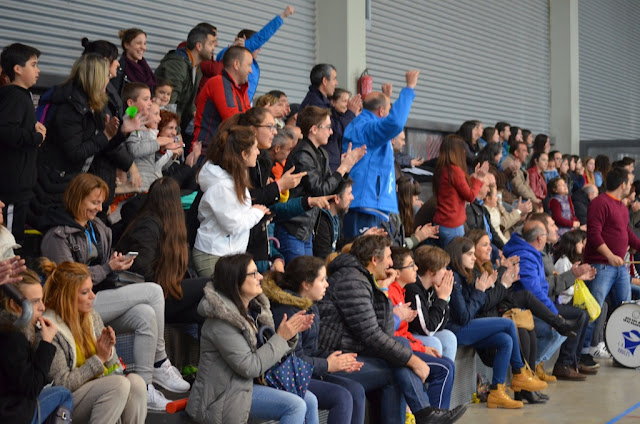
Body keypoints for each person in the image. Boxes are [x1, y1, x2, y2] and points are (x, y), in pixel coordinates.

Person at [39, 173, 189, 410]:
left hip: (99, 300)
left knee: (145, 314)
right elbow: (70, 284)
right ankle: (160, 360)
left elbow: (101, 267)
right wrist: (108, 267)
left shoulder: (98, 227)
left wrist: (114, 262)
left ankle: (146, 386)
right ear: (77, 199)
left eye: (101, 203)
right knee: (154, 291)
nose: (99, 209)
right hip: (74, 306)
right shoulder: (57, 235)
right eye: (93, 202)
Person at [318, 235, 467, 423]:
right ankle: (424, 413)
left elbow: (385, 331)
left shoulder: (363, 279)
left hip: (353, 351)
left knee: (401, 347)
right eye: (388, 257)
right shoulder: (352, 281)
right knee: (398, 369)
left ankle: (425, 413)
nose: (391, 263)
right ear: (374, 260)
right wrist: (412, 360)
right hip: (333, 358)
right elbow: (372, 335)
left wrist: (383, 289)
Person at [186, 254, 318, 424]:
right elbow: (250, 367)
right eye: (254, 273)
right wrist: (280, 338)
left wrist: (289, 334)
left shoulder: (254, 310)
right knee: (296, 406)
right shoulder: (221, 321)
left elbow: (268, 354)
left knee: (310, 400)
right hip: (223, 396)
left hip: (250, 385)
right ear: (235, 280)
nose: (261, 277)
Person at [444, 236, 547, 409]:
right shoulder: (453, 277)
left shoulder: (464, 275)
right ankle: (519, 372)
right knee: (508, 324)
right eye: (469, 254)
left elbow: (475, 309)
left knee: (505, 340)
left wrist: (486, 290)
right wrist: (480, 292)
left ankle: (497, 391)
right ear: (457, 255)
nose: (474, 257)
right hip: (456, 329)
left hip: (467, 325)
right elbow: (463, 316)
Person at [41, 259, 147, 423]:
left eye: (92, 290)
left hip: (98, 392)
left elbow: (114, 370)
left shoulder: (92, 317)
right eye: (85, 292)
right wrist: (98, 359)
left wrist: (109, 351)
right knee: (118, 385)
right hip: (64, 404)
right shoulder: (51, 328)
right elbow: (62, 385)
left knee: (137, 383)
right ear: (67, 296)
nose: (93, 296)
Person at [264, 256, 366, 424]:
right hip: (286, 375)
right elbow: (291, 360)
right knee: (341, 397)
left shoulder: (309, 305)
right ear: (306, 284)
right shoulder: (287, 310)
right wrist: (327, 365)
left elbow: (310, 350)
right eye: (322, 280)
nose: (327, 284)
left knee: (356, 390)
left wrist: (337, 359)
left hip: (305, 371)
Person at [503, 217, 594, 380]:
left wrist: (572, 275)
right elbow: (534, 292)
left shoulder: (535, 252)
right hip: (524, 310)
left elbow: (543, 287)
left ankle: (538, 367)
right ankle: (529, 371)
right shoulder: (526, 255)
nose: (556, 229)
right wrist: (553, 315)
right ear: (540, 238)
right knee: (558, 329)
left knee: (571, 322)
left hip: (539, 306)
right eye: (552, 226)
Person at [35, 53, 118, 220]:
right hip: (55, 183)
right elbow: (75, 152)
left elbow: (101, 143)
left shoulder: (91, 104)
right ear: (96, 78)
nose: (110, 81)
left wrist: (120, 133)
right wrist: (106, 135)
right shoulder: (71, 107)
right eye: (107, 76)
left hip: (68, 180)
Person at [276, 106, 364, 263]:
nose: (331, 132)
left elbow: (333, 189)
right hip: (293, 227)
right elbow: (319, 189)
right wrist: (342, 168)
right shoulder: (303, 154)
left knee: (308, 277)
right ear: (314, 129)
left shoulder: (320, 153)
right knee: (300, 279)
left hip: (307, 228)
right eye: (328, 127)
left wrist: (346, 168)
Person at [115, 177, 209, 325]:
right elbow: (142, 269)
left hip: (166, 292)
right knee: (212, 284)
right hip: (154, 296)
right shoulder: (147, 227)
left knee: (206, 310)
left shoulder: (169, 226)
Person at [341, 71, 419, 239]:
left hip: (365, 199)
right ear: (381, 111)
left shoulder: (363, 123)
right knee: (365, 254)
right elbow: (395, 123)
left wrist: (387, 97)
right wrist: (409, 88)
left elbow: (386, 121)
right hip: (365, 201)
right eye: (388, 109)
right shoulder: (368, 129)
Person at [0, 268, 74, 424]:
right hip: (12, 414)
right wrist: (46, 344)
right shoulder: (12, 336)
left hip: (14, 407)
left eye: (42, 300)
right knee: (64, 395)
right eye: (34, 302)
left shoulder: (15, 328)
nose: (42, 307)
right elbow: (32, 388)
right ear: (14, 304)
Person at [192, 125, 267, 277]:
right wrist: (256, 213)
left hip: (226, 254)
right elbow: (233, 225)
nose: (258, 152)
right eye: (256, 148)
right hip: (213, 255)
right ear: (244, 154)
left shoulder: (231, 179)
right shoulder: (223, 186)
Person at [79, 38, 143, 215]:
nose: (118, 66)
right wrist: (130, 164)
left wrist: (121, 132)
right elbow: (104, 138)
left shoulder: (109, 89)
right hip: (94, 173)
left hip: (103, 171)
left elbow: (110, 136)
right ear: (104, 62)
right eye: (115, 60)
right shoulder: (92, 96)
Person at [583, 167, 640, 360]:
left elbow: (627, 233)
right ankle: (586, 349)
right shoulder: (600, 202)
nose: (631, 187)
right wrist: (608, 255)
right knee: (594, 307)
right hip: (601, 265)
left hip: (620, 267)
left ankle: (622, 352)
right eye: (630, 183)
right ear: (623, 184)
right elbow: (593, 233)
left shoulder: (622, 207)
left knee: (625, 310)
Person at [0, 43, 45, 248]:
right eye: (33, 65)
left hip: (20, 187)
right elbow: (6, 131)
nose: (38, 70)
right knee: (9, 245)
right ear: (17, 69)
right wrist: (35, 137)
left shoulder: (21, 96)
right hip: (12, 189)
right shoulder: (15, 96)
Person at [216, 5, 296, 102]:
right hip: (232, 104)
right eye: (257, 46)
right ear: (245, 40)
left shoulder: (248, 61)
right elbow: (261, 37)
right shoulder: (234, 51)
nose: (259, 49)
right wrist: (283, 15)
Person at [155, 24, 217, 137]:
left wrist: (196, 115)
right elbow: (168, 104)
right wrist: (176, 133)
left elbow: (188, 103)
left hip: (174, 125)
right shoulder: (177, 65)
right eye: (211, 44)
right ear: (199, 46)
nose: (214, 47)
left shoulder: (195, 67)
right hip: (162, 128)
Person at [299, 63, 361, 171]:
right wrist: (350, 113)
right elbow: (335, 129)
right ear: (324, 81)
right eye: (334, 79)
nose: (336, 83)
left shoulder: (321, 101)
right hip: (321, 163)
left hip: (328, 159)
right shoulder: (315, 103)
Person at [432, 134, 487, 248]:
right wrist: (480, 178)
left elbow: (459, 188)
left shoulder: (442, 168)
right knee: (457, 261)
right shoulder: (455, 170)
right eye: (462, 148)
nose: (464, 152)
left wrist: (475, 177)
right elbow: (470, 196)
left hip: (441, 222)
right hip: (453, 224)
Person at [193, 46, 253, 150]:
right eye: (249, 65)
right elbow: (232, 119)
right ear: (236, 64)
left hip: (221, 152)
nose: (251, 70)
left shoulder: (240, 89)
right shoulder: (219, 82)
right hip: (206, 153)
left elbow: (249, 119)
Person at [405, 245, 458, 361]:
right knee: (434, 342)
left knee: (449, 337)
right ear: (431, 271)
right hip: (407, 335)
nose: (447, 272)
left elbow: (441, 325)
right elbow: (428, 330)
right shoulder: (413, 289)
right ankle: (435, 377)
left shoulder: (433, 288)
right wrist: (442, 300)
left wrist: (445, 299)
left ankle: (446, 376)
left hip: (422, 332)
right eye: (443, 268)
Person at [124, 85, 181, 192]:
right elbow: (134, 150)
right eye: (146, 99)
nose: (150, 103)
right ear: (131, 103)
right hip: (137, 186)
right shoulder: (131, 122)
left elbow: (151, 162)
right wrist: (158, 142)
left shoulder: (143, 128)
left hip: (147, 184)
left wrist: (162, 151)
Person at [313, 178, 354, 259]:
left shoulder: (336, 218)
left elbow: (339, 244)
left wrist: (362, 239)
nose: (352, 197)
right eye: (349, 194)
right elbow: (324, 255)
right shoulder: (321, 221)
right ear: (337, 199)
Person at [113, 28, 157, 94]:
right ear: (127, 45)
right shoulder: (118, 71)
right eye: (139, 43)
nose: (143, 47)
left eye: (144, 44)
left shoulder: (147, 71)